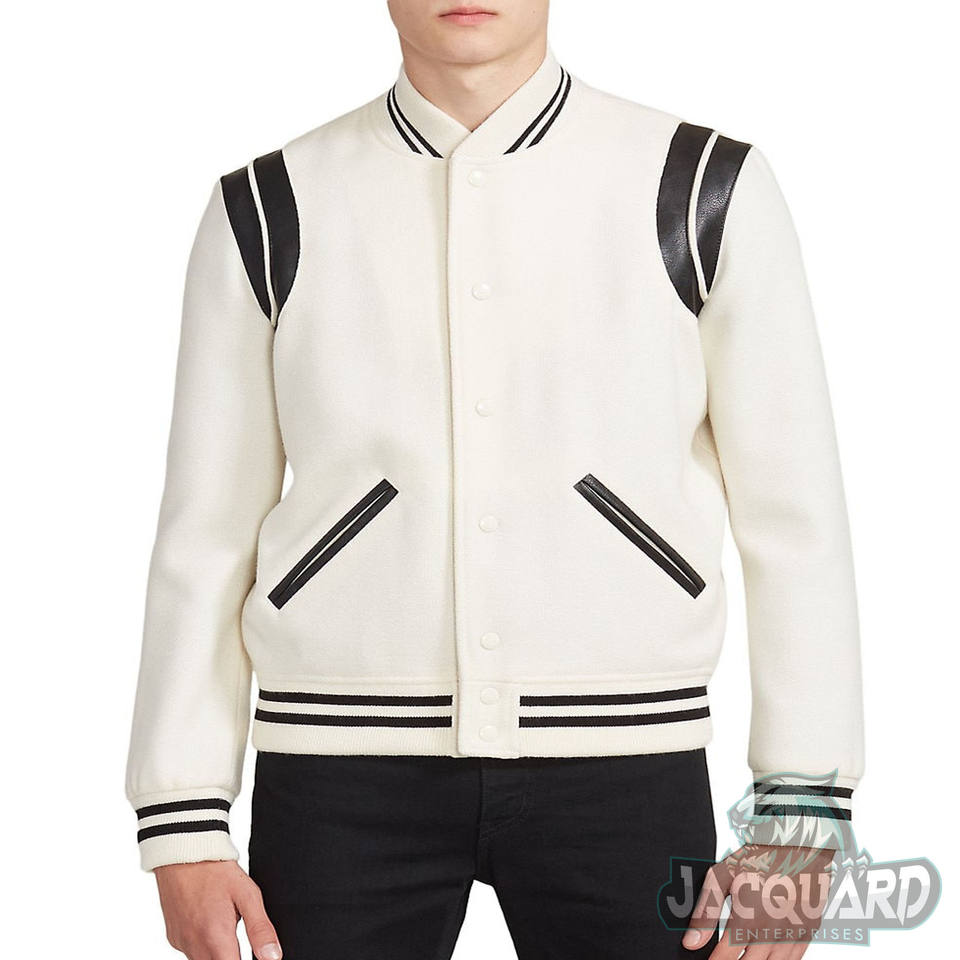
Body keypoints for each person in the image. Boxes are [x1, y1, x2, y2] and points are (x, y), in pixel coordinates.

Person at [125, 2, 865, 958]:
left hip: (628, 764)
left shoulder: (701, 185)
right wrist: (182, 819)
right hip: (339, 777)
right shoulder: (270, 206)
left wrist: (803, 815)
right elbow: (206, 532)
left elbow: (795, 520)